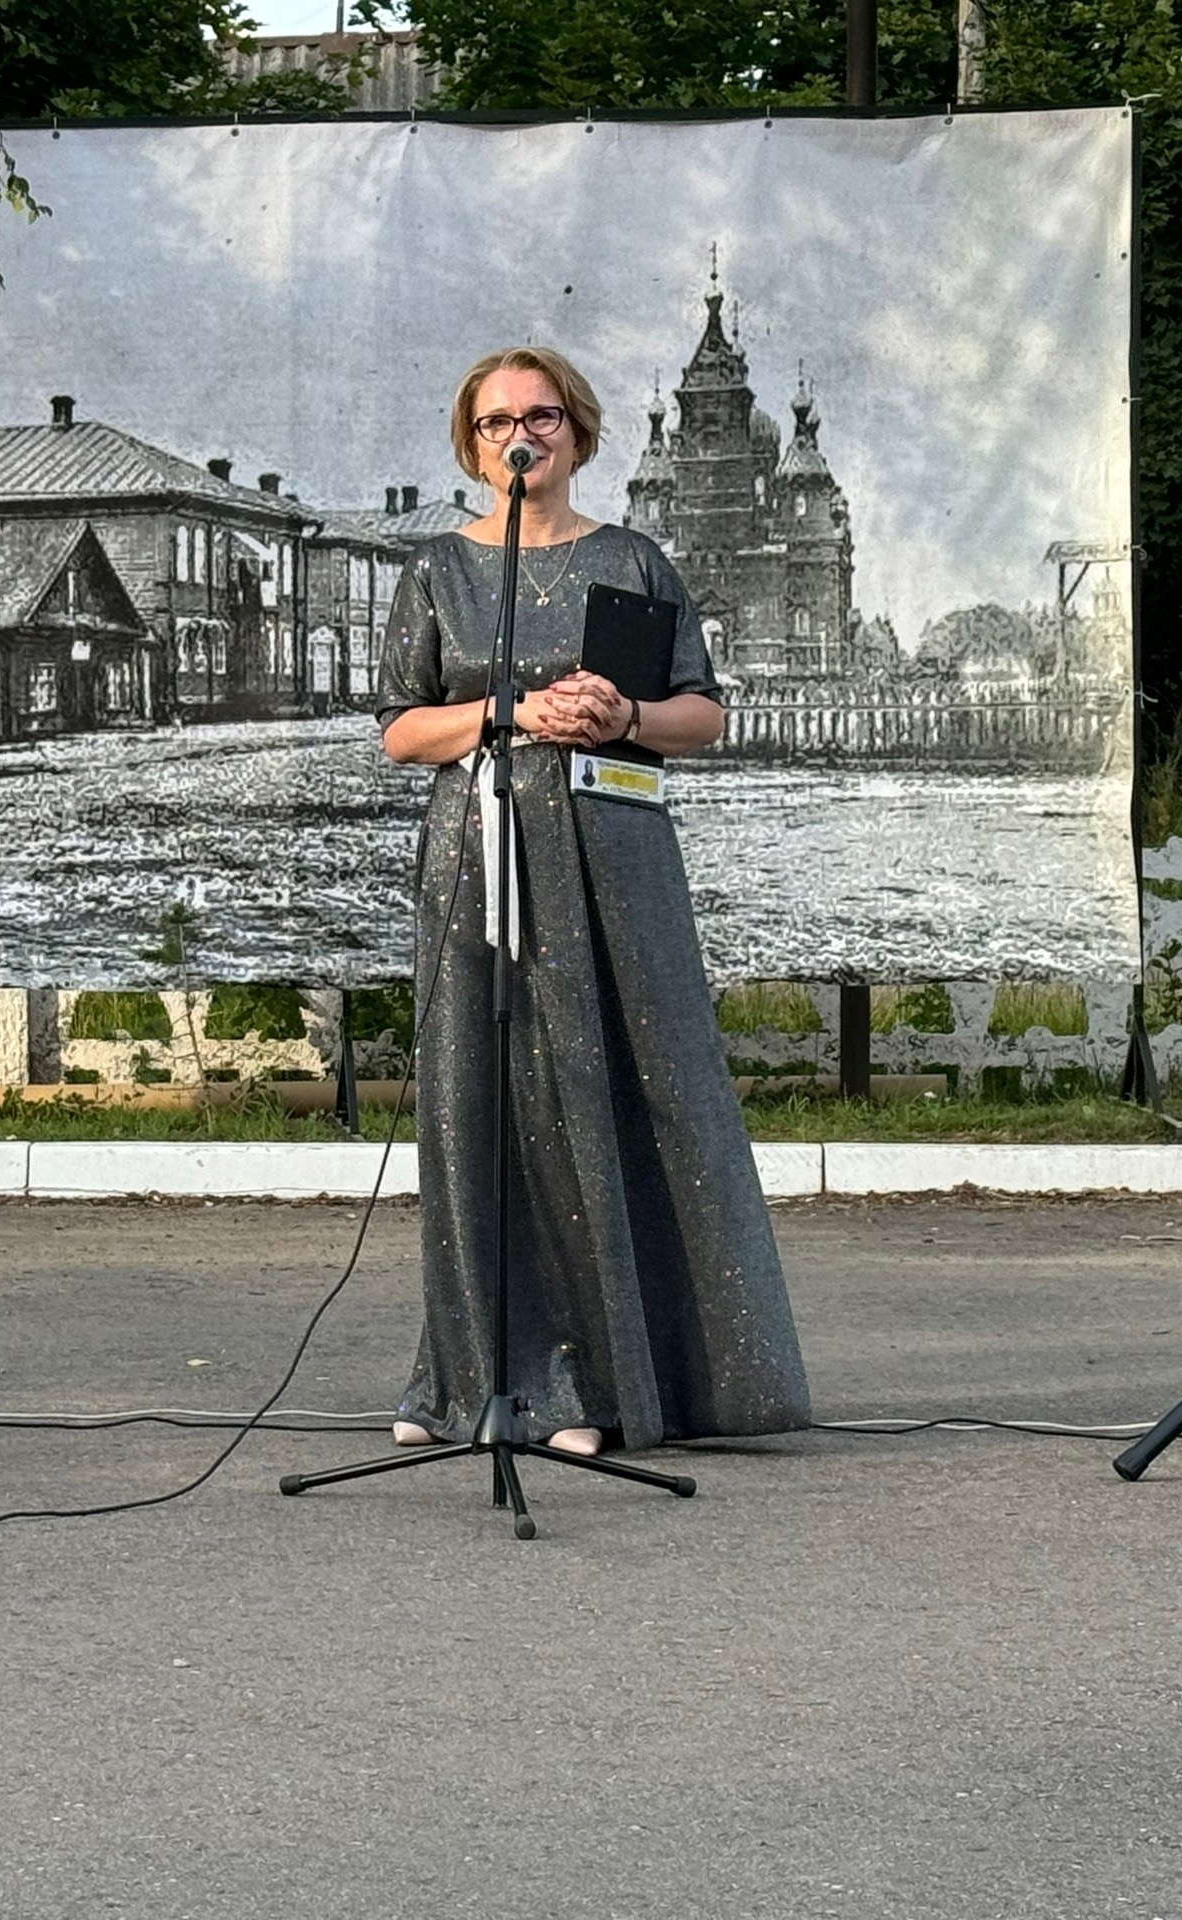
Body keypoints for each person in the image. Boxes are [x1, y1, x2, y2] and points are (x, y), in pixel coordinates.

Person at [375, 345, 811, 1456]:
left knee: (610, 1092)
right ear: (471, 444)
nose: (520, 436)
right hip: (478, 853)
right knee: (481, 1100)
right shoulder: (435, 570)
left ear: (578, 430)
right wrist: (510, 712)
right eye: (496, 422)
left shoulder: (632, 561)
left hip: (611, 855)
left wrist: (621, 720)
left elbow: (700, 714)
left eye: (542, 416)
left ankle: (598, 1383)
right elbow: (399, 729)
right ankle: (470, 1379)